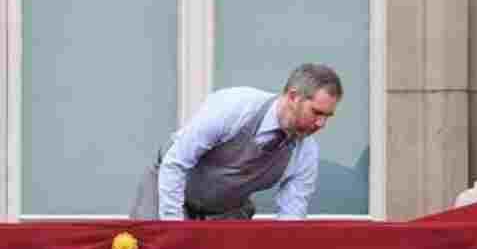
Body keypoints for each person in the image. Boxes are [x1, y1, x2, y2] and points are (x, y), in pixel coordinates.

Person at [131, 64, 341, 220]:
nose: (321, 124)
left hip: (227, 210)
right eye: (316, 112)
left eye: (328, 117)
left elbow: (292, 217)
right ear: (294, 97)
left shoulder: (306, 152)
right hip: (166, 188)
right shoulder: (234, 108)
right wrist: (174, 229)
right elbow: (176, 163)